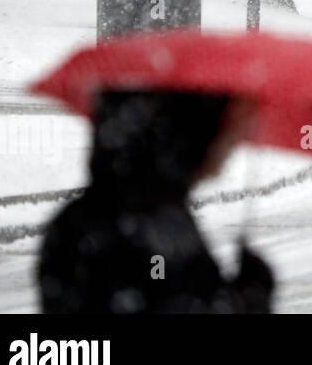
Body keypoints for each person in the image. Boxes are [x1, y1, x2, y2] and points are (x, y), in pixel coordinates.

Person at [38, 91, 271, 313]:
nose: (231, 144)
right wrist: (246, 303)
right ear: (197, 132)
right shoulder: (154, 228)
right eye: (226, 130)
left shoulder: (80, 217)